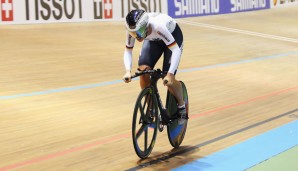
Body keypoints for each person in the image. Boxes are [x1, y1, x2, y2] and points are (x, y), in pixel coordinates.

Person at [122, 9, 187, 124]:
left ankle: (182, 107)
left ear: (146, 26)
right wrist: (127, 71)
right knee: (143, 71)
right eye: (133, 33)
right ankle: (151, 109)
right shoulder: (134, 29)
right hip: (153, 40)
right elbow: (128, 51)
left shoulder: (158, 26)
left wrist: (170, 74)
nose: (136, 36)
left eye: (138, 32)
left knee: (169, 81)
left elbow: (175, 50)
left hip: (172, 38)